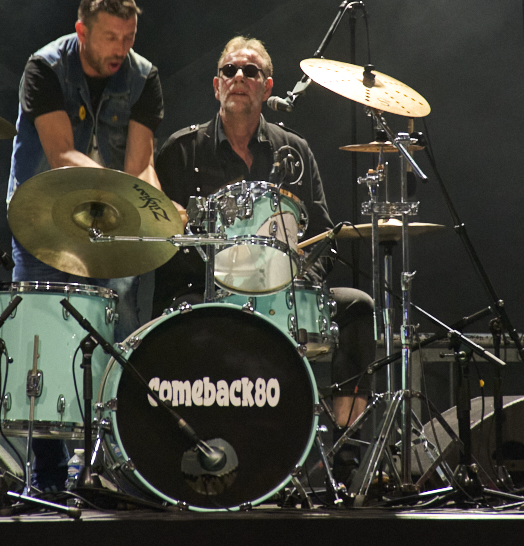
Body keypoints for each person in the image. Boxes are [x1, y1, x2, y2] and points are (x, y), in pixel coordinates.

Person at [153, 36, 374, 485]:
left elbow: (322, 236)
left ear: (267, 86)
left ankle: (346, 458)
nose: (239, 77)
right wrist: (218, 276)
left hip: (283, 294)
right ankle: (182, 453)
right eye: (230, 70)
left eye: (250, 71)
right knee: (178, 313)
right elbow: (159, 242)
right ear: (216, 85)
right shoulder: (181, 150)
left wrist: (293, 279)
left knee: (358, 307)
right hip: (203, 293)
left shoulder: (295, 150)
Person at [6, 0, 164, 490]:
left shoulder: (144, 77)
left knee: (122, 334)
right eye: (111, 37)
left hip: (108, 226)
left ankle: (109, 466)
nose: (121, 48)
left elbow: (140, 165)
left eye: (129, 37)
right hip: (44, 222)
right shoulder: (45, 68)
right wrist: (123, 191)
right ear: (82, 31)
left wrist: (156, 206)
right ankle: (48, 475)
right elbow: (60, 157)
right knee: (44, 343)